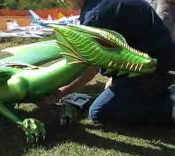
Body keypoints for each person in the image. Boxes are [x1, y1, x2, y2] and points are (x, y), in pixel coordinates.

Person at [47, 0, 175, 124]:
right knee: (111, 97)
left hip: (154, 68)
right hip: (157, 59)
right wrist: (115, 78)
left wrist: (63, 91)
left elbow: (92, 66)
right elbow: (126, 39)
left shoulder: (95, 15)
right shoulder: (100, 6)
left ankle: (170, 106)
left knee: (99, 112)